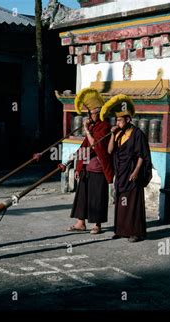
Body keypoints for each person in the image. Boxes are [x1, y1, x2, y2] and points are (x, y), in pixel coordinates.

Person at [103, 94, 152, 242]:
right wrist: (112, 134)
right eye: (116, 120)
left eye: (120, 120)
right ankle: (121, 230)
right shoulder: (118, 134)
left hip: (132, 172)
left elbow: (142, 155)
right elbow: (110, 151)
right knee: (121, 201)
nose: (117, 122)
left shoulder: (137, 134)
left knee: (133, 203)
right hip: (121, 173)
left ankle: (135, 232)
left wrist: (136, 171)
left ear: (128, 119)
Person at [68, 88, 114, 234]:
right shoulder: (93, 126)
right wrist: (78, 167)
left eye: (92, 113)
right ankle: (80, 222)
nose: (90, 116)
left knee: (97, 197)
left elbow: (96, 145)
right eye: (89, 113)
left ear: (100, 113)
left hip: (98, 168)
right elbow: (84, 147)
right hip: (87, 168)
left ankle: (97, 225)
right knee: (82, 196)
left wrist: (86, 131)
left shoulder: (104, 126)